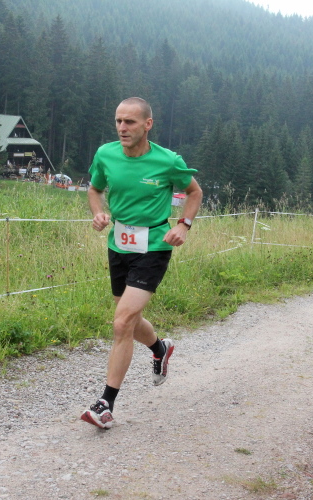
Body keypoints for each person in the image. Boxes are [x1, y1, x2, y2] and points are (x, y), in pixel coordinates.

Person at [81, 97, 203, 429]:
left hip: (154, 247)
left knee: (122, 322)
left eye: (130, 122)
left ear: (147, 124)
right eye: (118, 121)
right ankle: (160, 348)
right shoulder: (106, 154)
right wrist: (98, 212)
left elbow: (194, 192)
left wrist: (183, 225)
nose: (122, 128)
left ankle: (105, 404)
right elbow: (94, 189)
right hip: (118, 244)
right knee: (130, 321)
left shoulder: (168, 161)